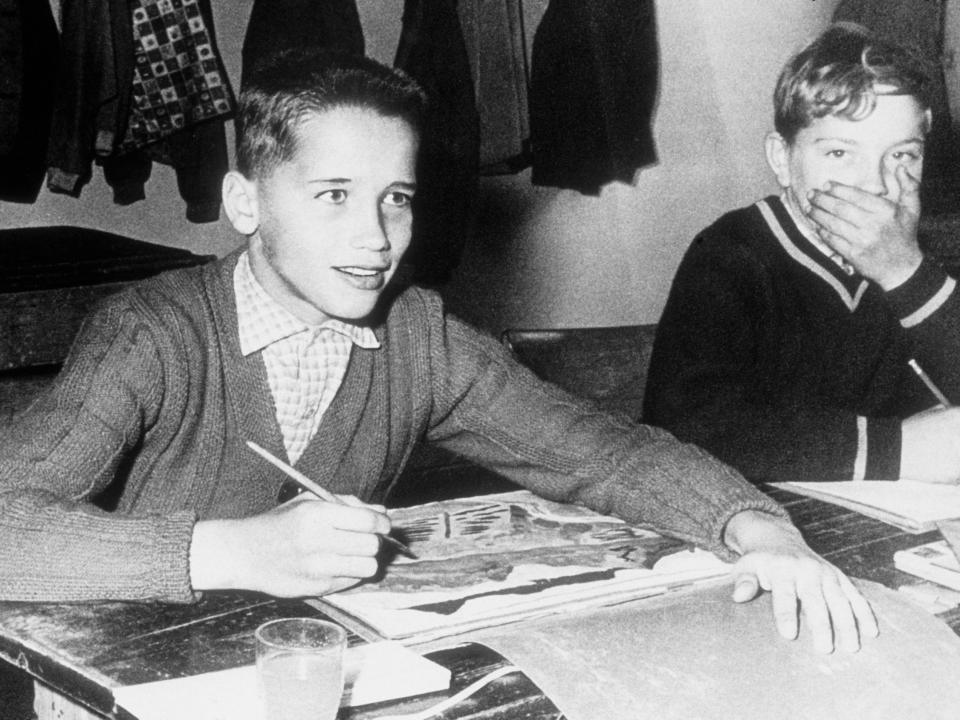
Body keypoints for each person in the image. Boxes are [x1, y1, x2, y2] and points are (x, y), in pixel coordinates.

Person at [0, 49, 874, 654]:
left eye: (396, 199)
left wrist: (759, 529)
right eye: (334, 194)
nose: (375, 237)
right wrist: (231, 553)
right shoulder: (153, 333)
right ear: (243, 201)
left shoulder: (417, 336)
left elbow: (602, 452)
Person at [645, 23, 960, 487]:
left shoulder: (916, 258)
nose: (875, 184)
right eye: (838, 153)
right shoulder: (731, 255)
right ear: (782, 160)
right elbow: (684, 427)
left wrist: (904, 272)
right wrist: (897, 450)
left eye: (902, 156)